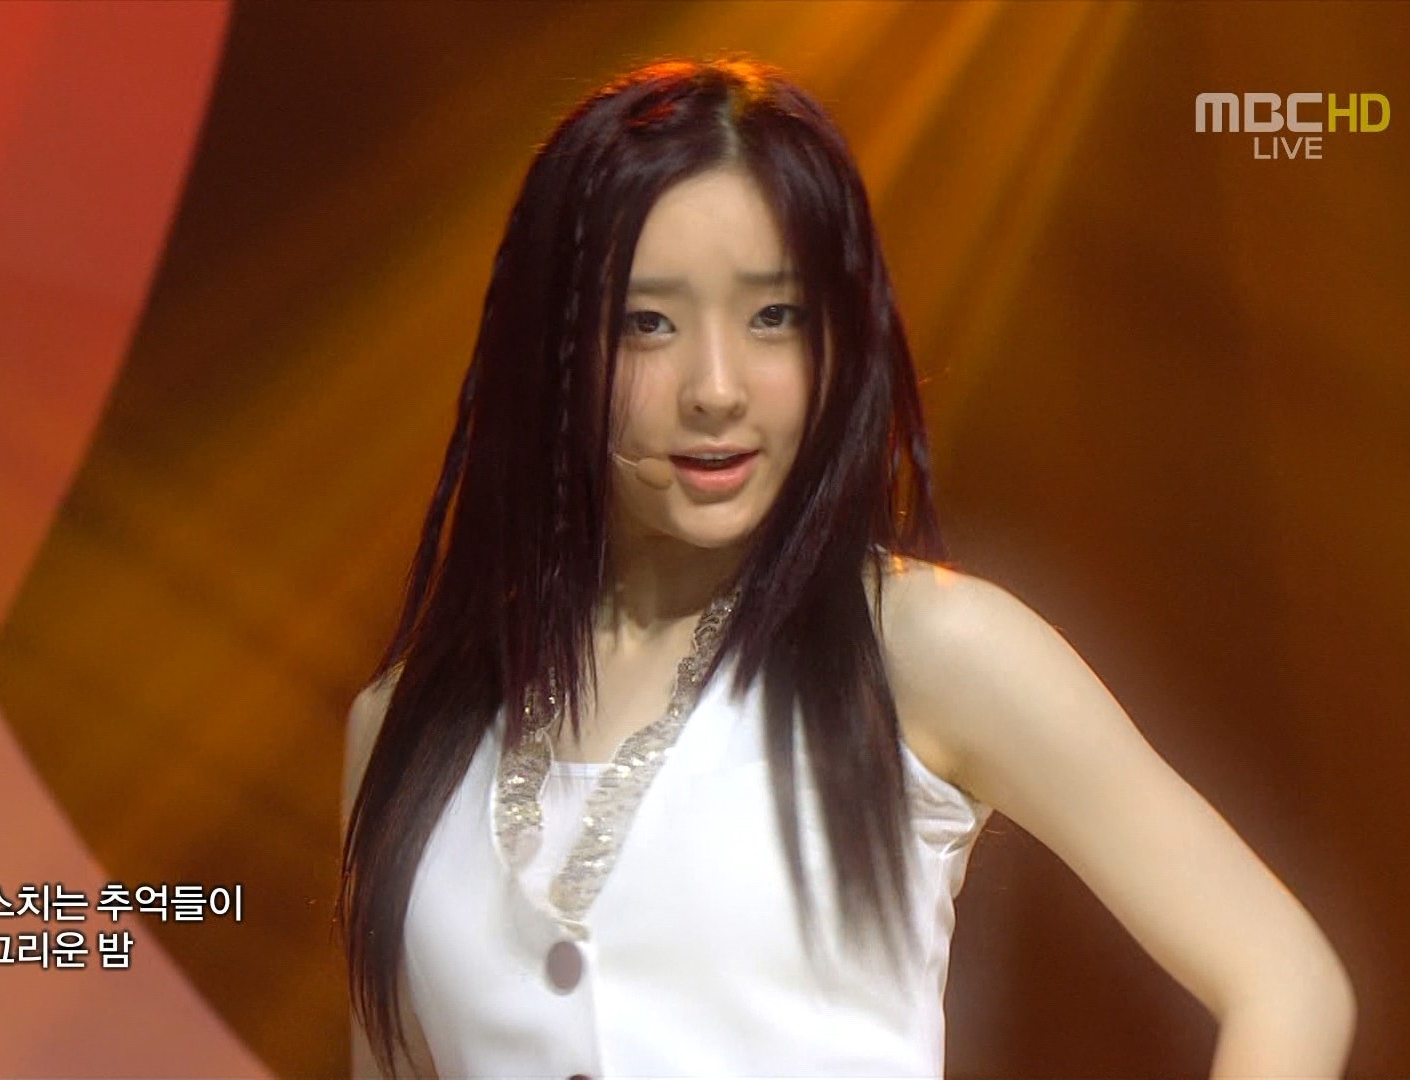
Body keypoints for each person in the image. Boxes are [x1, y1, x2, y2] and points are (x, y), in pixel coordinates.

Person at [337, 55, 1355, 1079]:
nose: (716, 387)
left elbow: (1284, 981)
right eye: (647, 322)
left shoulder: (925, 647)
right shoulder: (403, 724)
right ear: (552, 352)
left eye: (773, 316)